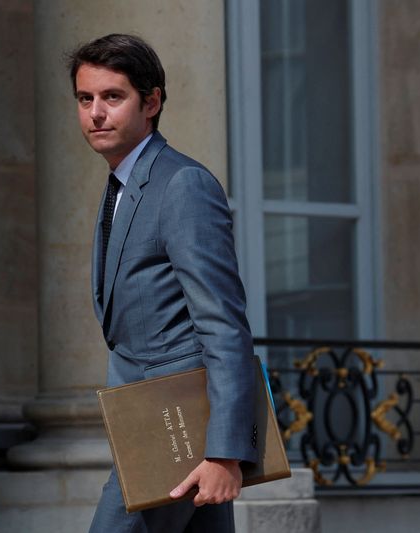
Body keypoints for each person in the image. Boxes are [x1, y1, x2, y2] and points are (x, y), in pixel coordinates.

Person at [68, 33, 259, 533]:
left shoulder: (182, 184)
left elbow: (223, 323)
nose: (96, 113)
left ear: (151, 102)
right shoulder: (122, 184)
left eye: (113, 97)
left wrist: (225, 452)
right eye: (85, 99)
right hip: (154, 424)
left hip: (176, 434)